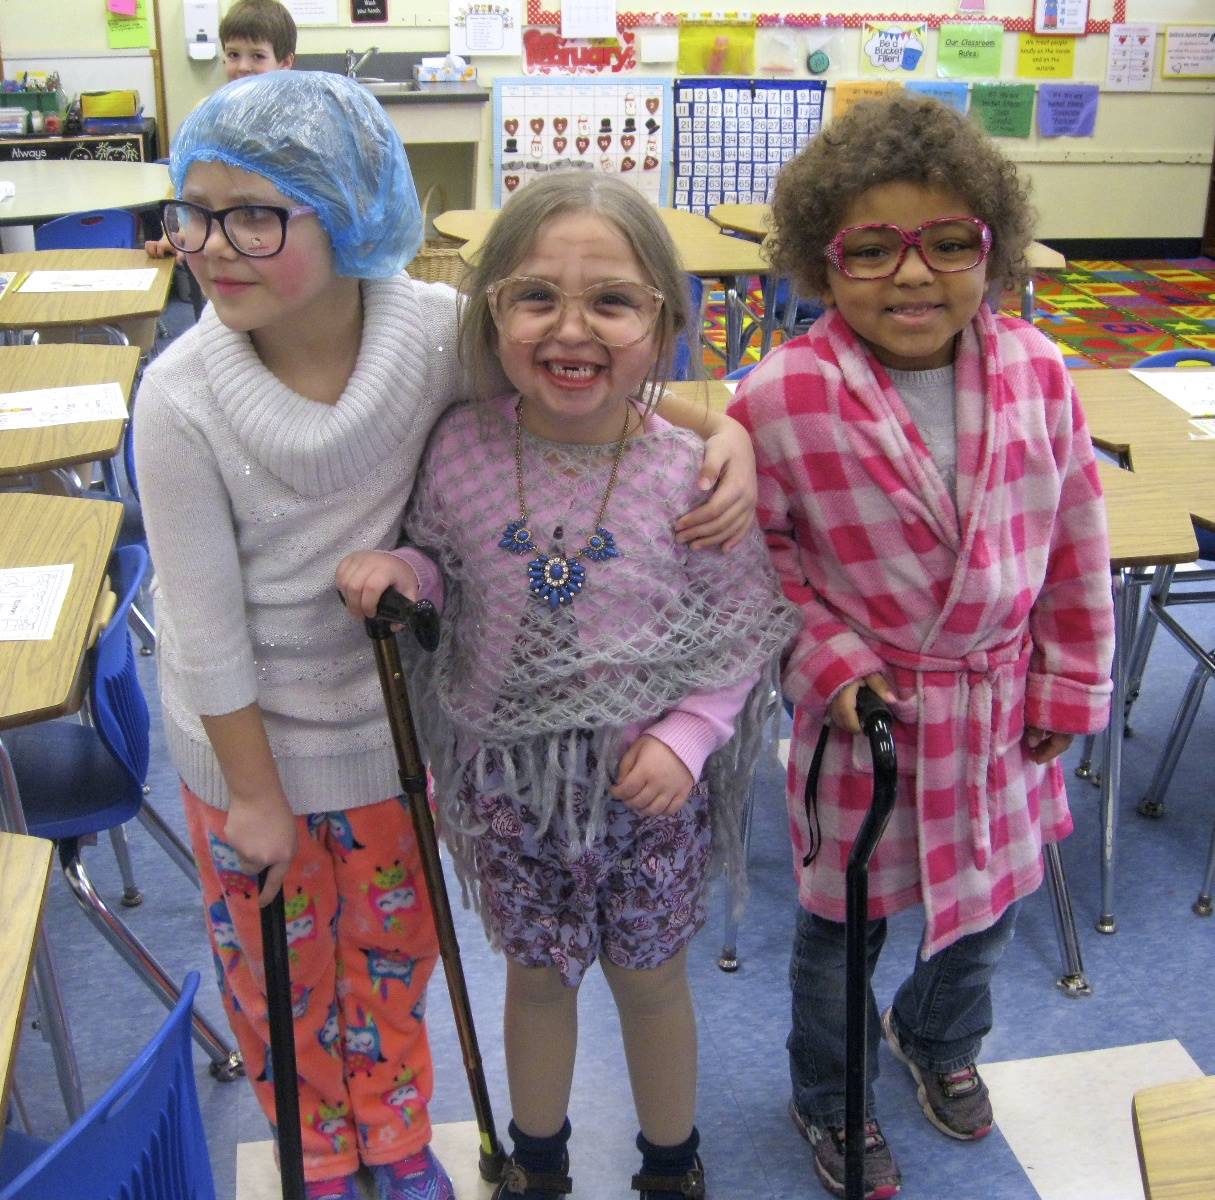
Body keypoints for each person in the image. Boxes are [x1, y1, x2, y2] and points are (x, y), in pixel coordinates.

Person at [135, 73, 758, 1200]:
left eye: (259, 214)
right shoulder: (183, 395)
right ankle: (327, 1154)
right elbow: (210, 625)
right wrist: (258, 789)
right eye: (198, 214)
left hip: (399, 740)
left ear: (349, 212)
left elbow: (600, 397)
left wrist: (735, 429)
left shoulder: (434, 335)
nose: (217, 245)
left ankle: (401, 1134)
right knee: (282, 980)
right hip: (251, 749)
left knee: (389, 969)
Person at [337, 173, 799, 1200]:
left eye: (613, 301)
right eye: (536, 296)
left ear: (667, 323)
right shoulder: (462, 445)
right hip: (509, 784)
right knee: (536, 982)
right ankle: (536, 1159)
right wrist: (399, 576)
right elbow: (441, 567)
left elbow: (735, 637)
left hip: (649, 792)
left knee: (649, 982)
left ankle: (669, 1162)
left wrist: (688, 736)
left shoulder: (691, 475)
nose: (571, 328)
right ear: (491, 308)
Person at [728, 94, 1116, 1200]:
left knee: (987, 909)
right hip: (875, 723)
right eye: (873, 249)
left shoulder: (1040, 371)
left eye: (949, 244)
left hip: (999, 707)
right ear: (821, 259)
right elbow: (763, 566)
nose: (913, 276)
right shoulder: (781, 398)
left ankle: (940, 1038)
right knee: (838, 937)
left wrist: (1071, 673)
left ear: (990, 248)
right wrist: (831, 665)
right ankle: (828, 1091)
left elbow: (1076, 537)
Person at [144, 0, 296, 260]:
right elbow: (187, 183)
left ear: (285, 63)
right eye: (233, 54)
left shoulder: (294, 120)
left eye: (257, 56)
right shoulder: (207, 114)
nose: (242, 67)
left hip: (276, 241)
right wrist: (178, 232)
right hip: (218, 241)